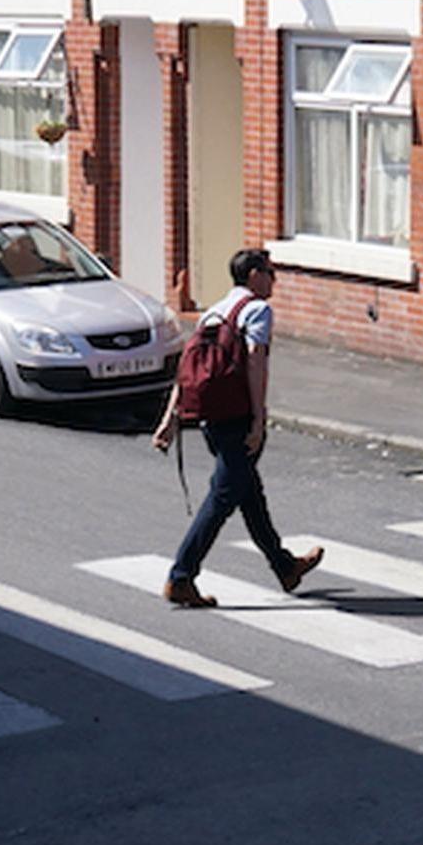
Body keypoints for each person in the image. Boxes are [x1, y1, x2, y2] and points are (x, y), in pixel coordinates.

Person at [151, 249, 324, 607]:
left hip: (211, 420)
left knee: (249, 493)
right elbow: (256, 363)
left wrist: (171, 420)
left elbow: (188, 371)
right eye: (270, 271)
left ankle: (285, 566)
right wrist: (259, 419)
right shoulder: (257, 311)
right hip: (238, 418)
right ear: (254, 275)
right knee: (223, 497)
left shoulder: (213, 312)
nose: (274, 279)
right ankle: (181, 577)